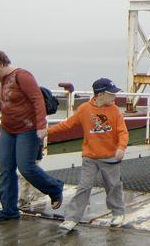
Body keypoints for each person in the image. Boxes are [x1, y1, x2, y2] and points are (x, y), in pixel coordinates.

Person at [0, 50, 64, 223]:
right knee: (6, 170)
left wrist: (41, 125)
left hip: (27, 130)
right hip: (8, 130)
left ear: (2, 64)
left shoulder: (23, 76)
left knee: (26, 168)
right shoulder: (3, 80)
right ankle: (9, 210)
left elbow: (37, 100)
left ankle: (55, 188)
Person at [48, 78, 129, 231]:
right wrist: (47, 132)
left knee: (113, 186)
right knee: (84, 187)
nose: (115, 97)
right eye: (112, 94)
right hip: (90, 157)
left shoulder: (115, 111)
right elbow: (68, 124)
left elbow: (122, 132)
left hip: (111, 157)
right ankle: (72, 218)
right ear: (100, 95)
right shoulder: (85, 109)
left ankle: (118, 213)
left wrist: (121, 148)